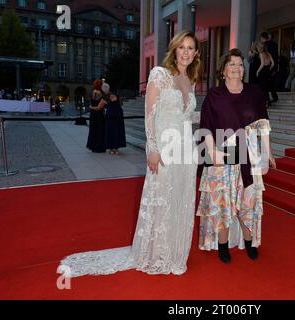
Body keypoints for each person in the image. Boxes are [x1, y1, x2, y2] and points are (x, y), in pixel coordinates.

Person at [59, 30, 202, 277]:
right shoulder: (160, 74)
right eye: (182, 47)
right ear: (174, 49)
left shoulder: (191, 80)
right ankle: (157, 253)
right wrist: (153, 150)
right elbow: (150, 115)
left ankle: (174, 252)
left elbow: (187, 117)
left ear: (196, 53)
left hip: (185, 151)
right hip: (165, 150)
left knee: (180, 200)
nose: (186, 53)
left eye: (191, 48)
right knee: (162, 200)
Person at [196, 48, 276, 264]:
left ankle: (249, 242)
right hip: (223, 154)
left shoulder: (254, 92)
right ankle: (222, 246)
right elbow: (207, 128)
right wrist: (213, 153)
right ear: (223, 70)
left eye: (240, 65)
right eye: (232, 64)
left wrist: (267, 153)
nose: (237, 68)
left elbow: (263, 124)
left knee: (247, 202)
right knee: (222, 202)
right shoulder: (214, 95)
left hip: (249, 153)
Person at [86, 79, 106, 153]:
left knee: (93, 130)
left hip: (93, 113)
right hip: (100, 113)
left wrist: (91, 107)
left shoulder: (93, 92)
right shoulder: (101, 93)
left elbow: (92, 101)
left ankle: (94, 146)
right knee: (100, 130)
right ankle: (100, 147)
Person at [261, 32, 279, 103]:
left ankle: (267, 99)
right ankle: (274, 97)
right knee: (271, 83)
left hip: (266, 67)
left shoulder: (265, 46)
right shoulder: (275, 45)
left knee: (266, 84)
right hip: (272, 66)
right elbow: (275, 57)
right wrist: (275, 67)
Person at [256, 42, 275, 107]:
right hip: (267, 71)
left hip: (263, 72)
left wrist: (258, 71)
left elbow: (262, 64)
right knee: (266, 87)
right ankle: (268, 102)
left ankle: (266, 102)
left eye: (258, 48)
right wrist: (269, 69)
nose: (257, 49)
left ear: (260, 48)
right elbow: (273, 63)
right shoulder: (268, 54)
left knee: (263, 88)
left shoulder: (261, 54)